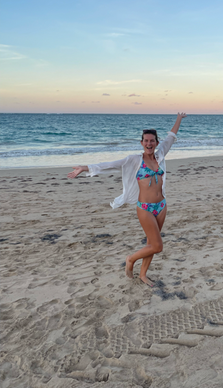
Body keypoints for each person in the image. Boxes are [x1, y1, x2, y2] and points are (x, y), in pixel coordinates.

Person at [67, 113, 187, 287]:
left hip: (161, 205)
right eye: (146, 140)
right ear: (141, 143)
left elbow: (171, 136)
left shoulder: (161, 155)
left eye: (152, 140)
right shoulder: (134, 160)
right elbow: (111, 164)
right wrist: (84, 168)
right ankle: (130, 259)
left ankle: (143, 274)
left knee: (151, 243)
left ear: (156, 143)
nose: (149, 143)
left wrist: (179, 118)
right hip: (145, 207)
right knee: (158, 246)